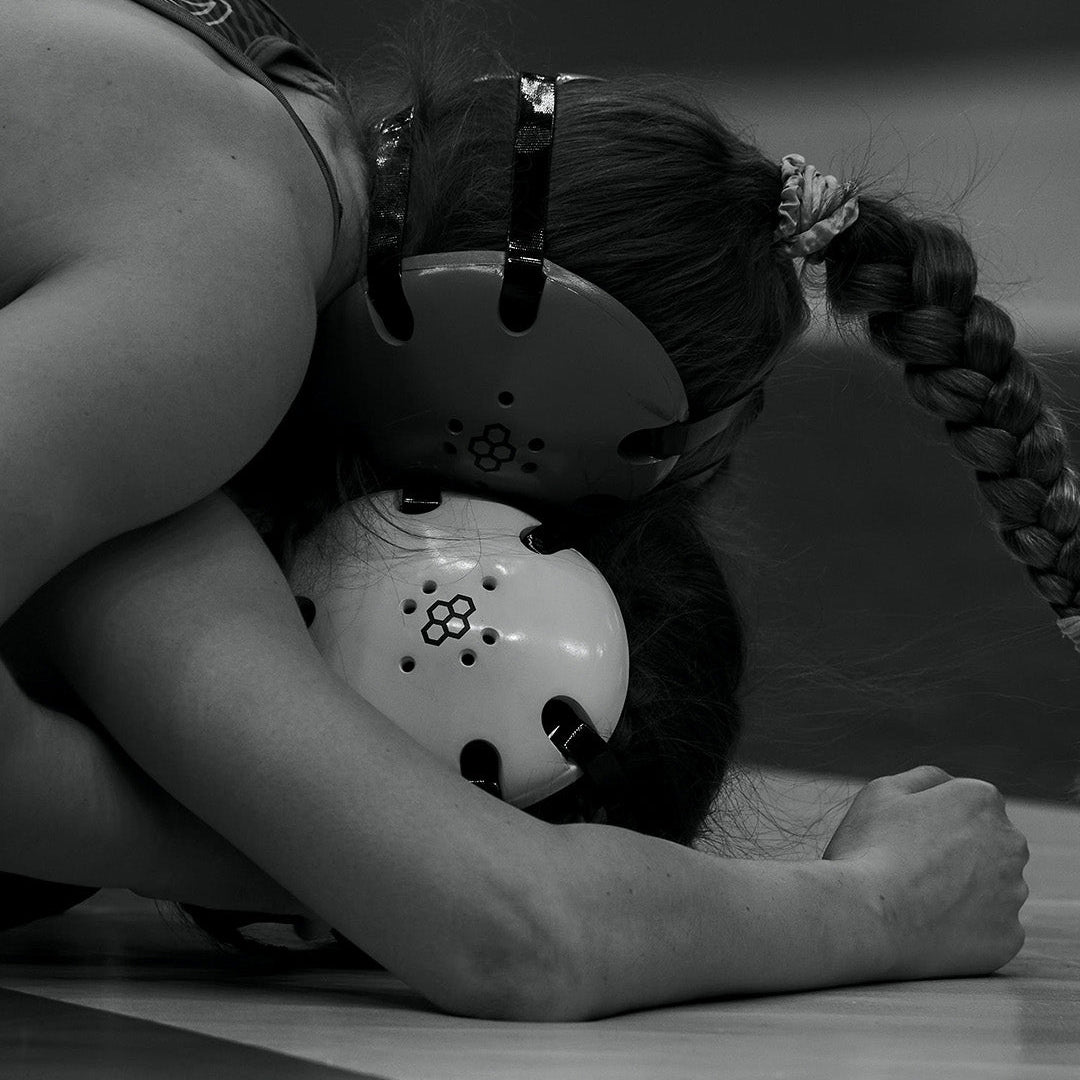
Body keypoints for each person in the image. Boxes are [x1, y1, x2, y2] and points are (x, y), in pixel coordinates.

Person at [0, 0, 1039, 1019]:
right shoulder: (217, 302)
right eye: (563, 498)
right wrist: (336, 862)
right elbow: (514, 931)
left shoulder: (242, 96)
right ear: (512, 398)